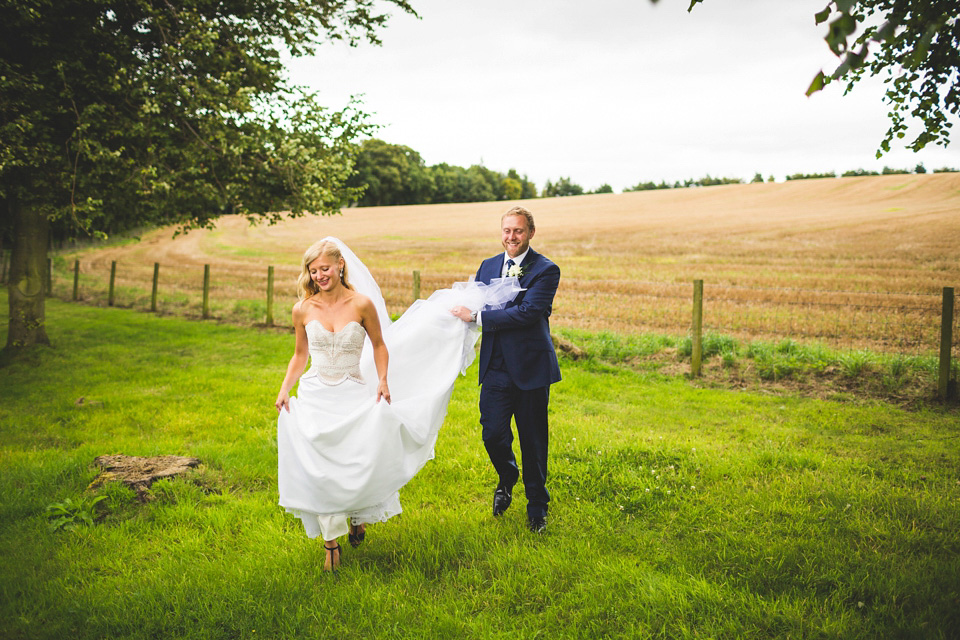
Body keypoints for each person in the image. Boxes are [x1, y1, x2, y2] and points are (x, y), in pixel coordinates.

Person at [276, 237, 524, 574]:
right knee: (319, 466)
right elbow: (300, 354)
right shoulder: (302, 309)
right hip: (317, 394)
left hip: (352, 392)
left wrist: (382, 380)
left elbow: (380, 345)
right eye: (313, 270)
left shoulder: (361, 304)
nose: (319, 275)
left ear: (340, 266)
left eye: (325, 268)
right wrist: (284, 388)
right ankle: (330, 543)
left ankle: (358, 516)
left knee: (353, 461)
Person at [451, 206, 561, 533]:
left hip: (530, 367)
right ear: (501, 232)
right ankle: (507, 475)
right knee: (493, 434)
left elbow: (527, 313)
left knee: (533, 440)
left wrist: (477, 318)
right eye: (507, 231)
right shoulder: (487, 266)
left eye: (518, 231)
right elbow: (473, 302)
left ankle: (537, 508)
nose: (512, 237)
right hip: (495, 366)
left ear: (530, 233)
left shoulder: (545, 270)